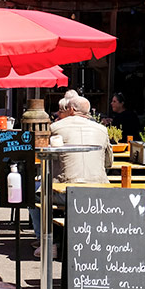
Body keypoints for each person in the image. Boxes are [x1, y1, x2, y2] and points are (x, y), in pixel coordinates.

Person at [30, 94, 113, 257]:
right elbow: (108, 163)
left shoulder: (56, 128)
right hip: (99, 191)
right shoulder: (102, 130)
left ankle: (47, 242)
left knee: (33, 192)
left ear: (71, 109)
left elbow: (44, 157)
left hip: (66, 192)